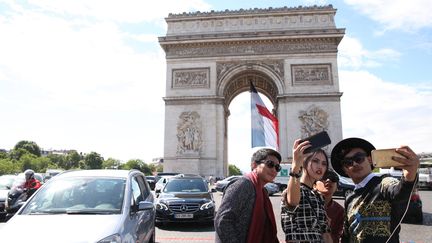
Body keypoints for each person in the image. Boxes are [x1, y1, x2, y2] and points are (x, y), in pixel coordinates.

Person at [330, 138, 419, 243]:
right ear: (344, 169)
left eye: (358, 158)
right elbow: (347, 233)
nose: (354, 164)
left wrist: (410, 175)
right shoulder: (349, 197)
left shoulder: (384, 182)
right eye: (348, 162)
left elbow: (399, 192)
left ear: (370, 159)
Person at [215, 148, 281, 243]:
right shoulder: (243, 184)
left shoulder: (263, 191)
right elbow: (222, 220)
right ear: (254, 165)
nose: (274, 170)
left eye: (277, 167)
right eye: (270, 164)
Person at [281, 139, 332, 243]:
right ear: (304, 162)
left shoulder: (318, 196)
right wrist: (295, 166)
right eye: (315, 161)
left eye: (324, 164)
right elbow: (293, 202)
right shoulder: (292, 190)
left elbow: (325, 233)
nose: (320, 167)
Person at [315, 170, 344, 243]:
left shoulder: (340, 211)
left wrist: (326, 230)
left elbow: (336, 237)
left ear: (337, 187)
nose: (328, 180)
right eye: (324, 178)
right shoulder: (304, 203)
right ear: (314, 185)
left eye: (333, 179)